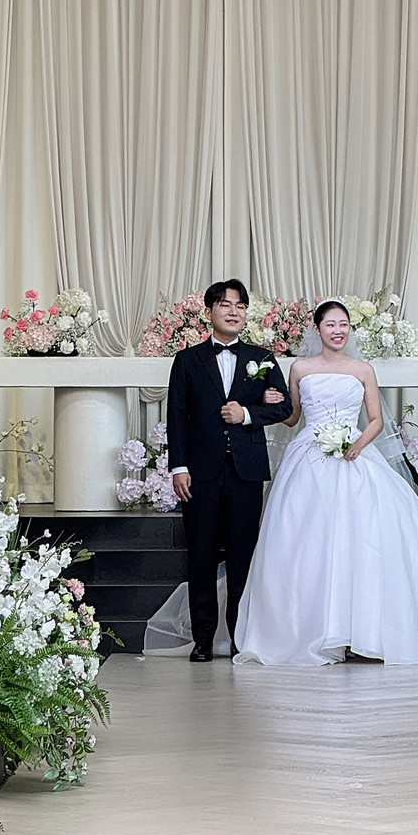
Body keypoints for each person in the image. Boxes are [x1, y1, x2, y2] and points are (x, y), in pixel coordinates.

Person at [233, 299, 418, 666]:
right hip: (309, 456)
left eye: (344, 324)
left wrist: (357, 445)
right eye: (331, 324)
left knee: (364, 537)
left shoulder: (363, 369)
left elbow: (376, 420)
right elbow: (292, 418)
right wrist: (271, 400)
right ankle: (313, 630)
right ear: (317, 329)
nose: (338, 331)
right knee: (307, 538)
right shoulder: (300, 368)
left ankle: (365, 632)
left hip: (355, 452)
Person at [166, 280, 295, 661]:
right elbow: (176, 416)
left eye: (239, 305)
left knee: (243, 557)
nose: (233, 311)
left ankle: (241, 637)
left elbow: (285, 407)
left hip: (246, 471)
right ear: (209, 312)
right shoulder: (187, 360)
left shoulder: (262, 357)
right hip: (200, 472)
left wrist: (248, 413)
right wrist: (179, 466)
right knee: (201, 555)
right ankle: (203, 640)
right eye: (225, 304)